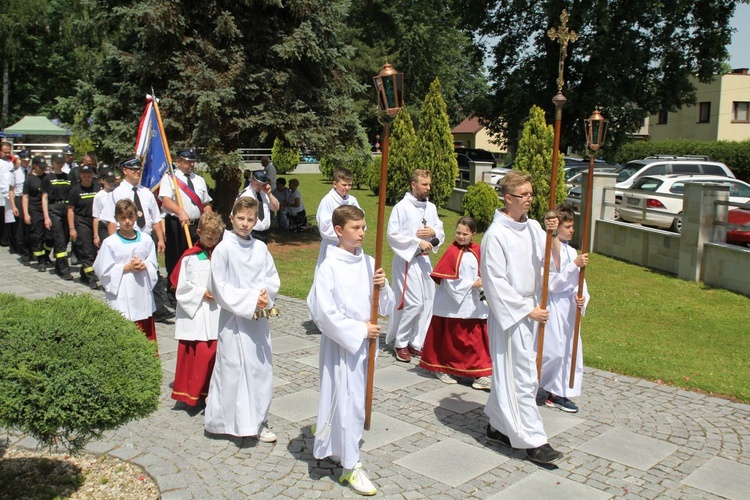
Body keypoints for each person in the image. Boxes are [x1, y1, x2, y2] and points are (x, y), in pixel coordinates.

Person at [308, 205, 394, 496]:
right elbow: (323, 311)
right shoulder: (329, 266)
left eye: (364, 227)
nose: (362, 232)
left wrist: (383, 288)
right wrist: (359, 330)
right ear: (338, 231)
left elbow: (385, 305)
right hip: (341, 345)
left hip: (363, 347)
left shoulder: (369, 262)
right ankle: (350, 466)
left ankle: (341, 448)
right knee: (345, 399)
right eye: (355, 228)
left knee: (353, 401)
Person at [481, 170, 563, 464]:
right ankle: (534, 441)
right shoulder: (495, 235)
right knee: (521, 375)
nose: (530, 199)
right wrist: (525, 309)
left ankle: (497, 424)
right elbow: (494, 282)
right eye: (524, 195)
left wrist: (552, 234)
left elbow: (550, 260)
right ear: (508, 198)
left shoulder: (533, 227)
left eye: (531, 193)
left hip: (531, 307)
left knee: (514, 371)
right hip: (512, 313)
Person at [205, 197, 280, 443]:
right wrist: (249, 298)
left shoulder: (260, 248)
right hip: (234, 320)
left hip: (258, 318)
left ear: (256, 221)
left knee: (260, 369)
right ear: (231, 217)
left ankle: (257, 420)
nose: (245, 224)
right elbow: (219, 286)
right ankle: (227, 421)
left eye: (250, 220)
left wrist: (264, 296)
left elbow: (271, 277)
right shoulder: (224, 249)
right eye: (241, 219)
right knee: (233, 368)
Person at [419, 216, 492, 390]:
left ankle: (478, 373)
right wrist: (471, 284)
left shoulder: (477, 250)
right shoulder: (451, 252)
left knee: (475, 340)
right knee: (450, 340)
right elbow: (448, 280)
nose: (460, 236)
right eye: (458, 233)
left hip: (475, 302)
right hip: (453, 303)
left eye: (465, 234)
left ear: (473, 234)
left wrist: (482, 283)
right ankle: (443, 368)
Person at [385, 169, 444, 363]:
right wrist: (416, 243)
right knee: (414, 302)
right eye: (424, 184)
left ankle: (416, 342)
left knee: (428, 301)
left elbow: (440, 231)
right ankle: (400, 342)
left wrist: (433, 231)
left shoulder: (431, 207)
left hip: (425, 261)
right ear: (413, 184)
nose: (428, 188)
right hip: (407, 260)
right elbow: (392, 235)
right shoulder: (401, 207)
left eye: (429, 184)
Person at [99, 158, 170, 320]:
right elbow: (110, 220)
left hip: (144, 241)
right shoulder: (116, 193)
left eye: (139, 169)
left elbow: (155, 218)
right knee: (129, 278)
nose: (137, 172)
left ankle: (157, 308)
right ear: (125, 170)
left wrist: (160, 238)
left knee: (151, 271)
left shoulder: (147, 193)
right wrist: (114, 243)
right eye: (133, 170)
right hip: (123, 241)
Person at [170, 211, 225, 407]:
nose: (212, 242)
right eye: (208, 238)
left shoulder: (220, 255)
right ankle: (191, 393)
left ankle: (211, 391)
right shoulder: (189, 258)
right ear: (199, 233)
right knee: (198, 352)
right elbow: (182, 286)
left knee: (214, 351)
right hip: (197, 312)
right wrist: (201, 293)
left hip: (216, 312)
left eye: (216, 238)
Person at [541, 204, 589, 414]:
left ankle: (559, 392)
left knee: (570, 350)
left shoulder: (571, 250)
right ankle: (538, 383)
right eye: (567, 226)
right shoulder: (548, 249)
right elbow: (551, 282)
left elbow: (581, 281)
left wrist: (582, 298)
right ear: (557, 227)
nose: (572, 230)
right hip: (554, 304)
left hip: (569, 306)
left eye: (573, 227)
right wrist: (574, 265)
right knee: (554, 351)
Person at [93, 198, 159, 342]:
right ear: (116, 218)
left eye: (130, 217)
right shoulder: (110, 243)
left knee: (145, 333)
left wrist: (145, 265)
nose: (127, 221)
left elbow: (153, 263)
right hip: (122, 292)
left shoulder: (146, 240)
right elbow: (102, 269)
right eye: (123, 218)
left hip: (141, 292)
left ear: (136, 216)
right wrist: (125, 267)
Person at [158, 148, 213, 287]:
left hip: (197, 225)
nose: (191, 165)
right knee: (177, 257)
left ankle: (196, 285)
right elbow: (165, 201)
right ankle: (174, 290)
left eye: (193, 161)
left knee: (198, 255)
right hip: (178, 223)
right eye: (188, 162)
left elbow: (205, 203)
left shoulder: (199, 180)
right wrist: (180, 211)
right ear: (178, 162)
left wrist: (209, 218)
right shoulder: (170, 179)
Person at [314, 167, 361, 269]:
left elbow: (361, 221)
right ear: (335, 184)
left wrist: (354, 234)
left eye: (349, 185)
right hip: (333, 246)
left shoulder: (352, 201)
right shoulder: (328, 201)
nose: (347, 188)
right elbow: (325, 228)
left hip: (351, 246)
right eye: (344, 185)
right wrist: (346, 235)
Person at [66, 164, 101, 288]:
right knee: (86, 250)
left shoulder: (98, 188)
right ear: (81, 175)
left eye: (89, 174)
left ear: (93, 175)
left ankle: (84, 274)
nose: (87, 177)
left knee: (95, 250)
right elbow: (70, 210)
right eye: (84, 174)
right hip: (81, 221)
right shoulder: (75, 190)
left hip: (95, 221)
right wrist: (72, 228)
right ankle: (92, 279)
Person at [42, 153, 74, 280]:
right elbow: (44, 198)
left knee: (65, 239)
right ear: (53, 162)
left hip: (66, 208)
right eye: (58, 162)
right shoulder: (48, 178)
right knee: (59, 239)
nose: (60, 164)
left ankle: (58, 266)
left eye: (62, 162)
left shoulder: (68, 177)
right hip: (54, 208)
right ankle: (64, 269)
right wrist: (46, 217)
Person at [23, 156, 53, 270]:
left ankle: (46, 255)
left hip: (48, 208)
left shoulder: (47, 178)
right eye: (40, 167)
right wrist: (26, 213)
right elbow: (25, 197)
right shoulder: (29, 179)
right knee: (38, 235)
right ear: (34, 166)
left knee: (50, 236)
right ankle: (41, 261)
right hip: (35, 209)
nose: (43, 169)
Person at [237, 170, 279, 243]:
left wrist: (269, 194)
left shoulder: (265, 193)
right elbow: (237, 215)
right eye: (258, 184)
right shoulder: (245, 195)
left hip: (264, 234)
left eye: (262, 185)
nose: (260, 187)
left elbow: (276, 208)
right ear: (252, 180)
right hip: (250, 233)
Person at [11, 150, 32, 265]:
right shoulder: (14, 172)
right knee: (21, 228)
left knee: (30, 226)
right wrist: (14, 206)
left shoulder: (30, 170)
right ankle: (24, 253)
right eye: (24, 159)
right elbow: (11, 190)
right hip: (19, 198)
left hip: (29, 199)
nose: (26, 161)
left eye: (28, 159)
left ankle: (31, 251)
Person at [92, 167, 117, 249]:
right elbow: (96, 217)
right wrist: (96, 236)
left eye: (113, 181)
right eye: (109, 181)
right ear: (102, 181)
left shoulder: (118, 193)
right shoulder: (98, 196)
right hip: (104, 226)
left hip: (117, 225)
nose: (111, 183)